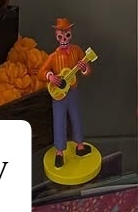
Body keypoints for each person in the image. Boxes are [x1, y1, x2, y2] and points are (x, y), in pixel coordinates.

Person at [41, 17, 93, 169]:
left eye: (67, 35)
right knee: (59, 122)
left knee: (76, 117)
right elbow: (41, 72)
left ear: (71, 34)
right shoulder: (53, 57)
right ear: (56, 37)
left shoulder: (77, 51)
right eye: (60, 36)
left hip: (73, 91)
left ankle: (80, 146)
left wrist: (84, 68)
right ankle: (59, 153)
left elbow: (88, 71)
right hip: (58, 96)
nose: (64, 39)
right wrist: (50, 76)